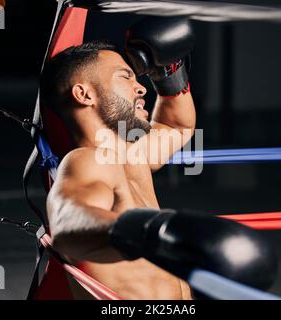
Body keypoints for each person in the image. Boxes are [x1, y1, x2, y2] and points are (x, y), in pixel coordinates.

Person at [39, 18, 196, 299]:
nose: (141, 89)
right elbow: (67, 222)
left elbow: (176, 127)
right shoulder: (87, 161)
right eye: (125, 76)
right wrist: (149, 230)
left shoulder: (133, 154)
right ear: (84, 94)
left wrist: (169, 72)